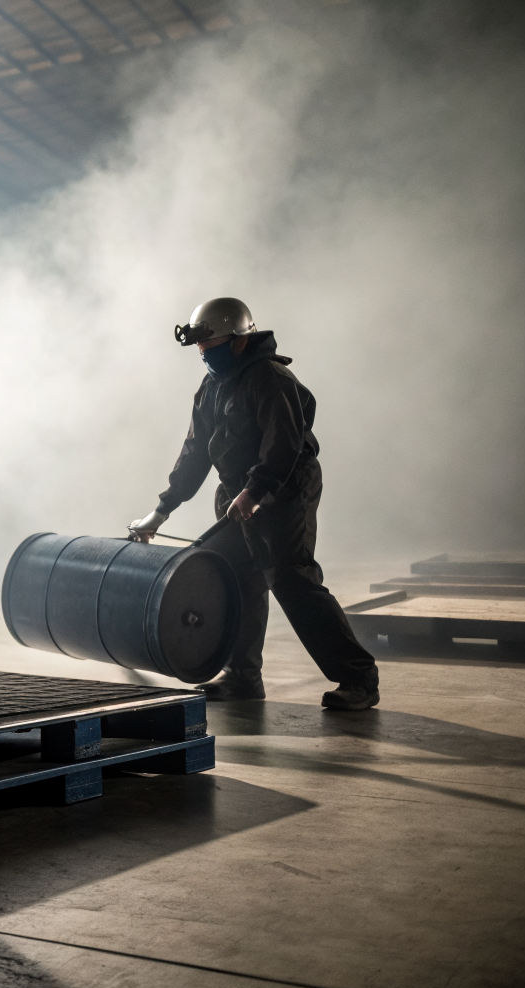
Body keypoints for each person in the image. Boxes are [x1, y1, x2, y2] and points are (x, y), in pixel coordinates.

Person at [127, 297, 380, 710]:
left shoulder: (270, 378)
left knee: (290, 579)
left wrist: (255, 492)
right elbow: (195, 453)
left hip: (285, 486)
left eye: (210, 345)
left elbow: (283, 443)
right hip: (237, 490)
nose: (204, 354)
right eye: (199, 348)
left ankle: (359, 679)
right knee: (232, 574)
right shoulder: (212, 386)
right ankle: (243, 676)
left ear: (240, 340)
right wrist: (162, 509)